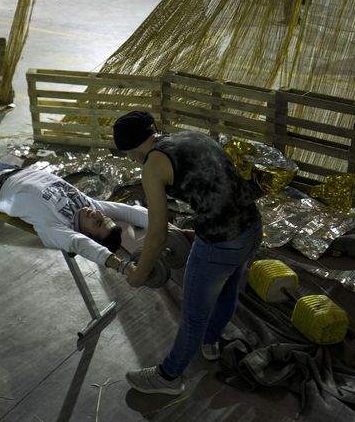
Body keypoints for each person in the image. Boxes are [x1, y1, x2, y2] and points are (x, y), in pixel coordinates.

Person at [113, 111, 263, 396]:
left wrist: (140, 274)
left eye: (127, 153)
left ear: (130, 149)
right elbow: (222, 188)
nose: (131, 159)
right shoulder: (189, 137)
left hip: (220, 242)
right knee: (229, 288)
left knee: (193, 315)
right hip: (252, 228)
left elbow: (156, 234)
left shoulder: (152, 167)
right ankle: (210, 342)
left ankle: (168, 376)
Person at [0, 162, 148, 271]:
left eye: (96, 223)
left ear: (87, 233)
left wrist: (121, 267)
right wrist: (168, 227)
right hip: (9, 169)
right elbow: (131, 212)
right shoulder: (91, 207)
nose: (96, 213)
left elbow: (81, 245)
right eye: (102, 217)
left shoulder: (58, 228)